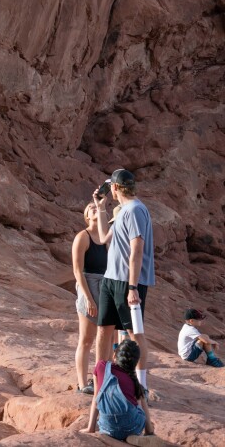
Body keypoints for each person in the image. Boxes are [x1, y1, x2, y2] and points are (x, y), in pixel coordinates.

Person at [93, 169, 155, 392]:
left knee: (134, 333)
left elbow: (137, 248)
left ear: (117, 188)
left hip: (126, 282)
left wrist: (132, 286)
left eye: (111, 186)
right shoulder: (122, 211)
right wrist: (100, 208)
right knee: (103, 329)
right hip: (111, 278)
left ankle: (141, 386)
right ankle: (101, 380)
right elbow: (102, 238)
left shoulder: (136, 210)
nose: (110, 189)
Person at [83, 340, 154, 440]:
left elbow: (96, 397)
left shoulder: (101, 366)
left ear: (114, 355)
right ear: (135, 362)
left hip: (108, 429)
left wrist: (91, 428)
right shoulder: (133, 380)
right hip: (133, 428)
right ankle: (149, 431)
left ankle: (97, 429)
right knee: (140, 393)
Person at [73, 203, 107, 394]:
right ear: (86, 215)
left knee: (106, 338)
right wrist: (88, 299)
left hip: (106, 286)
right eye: (90, 208)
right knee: (86, 338)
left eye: (98, 207)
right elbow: (77, 271)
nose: (95, 208)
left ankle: (101, 380)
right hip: (88, 285)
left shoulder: (106, 237)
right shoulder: (82, 237)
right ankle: (82, 383)